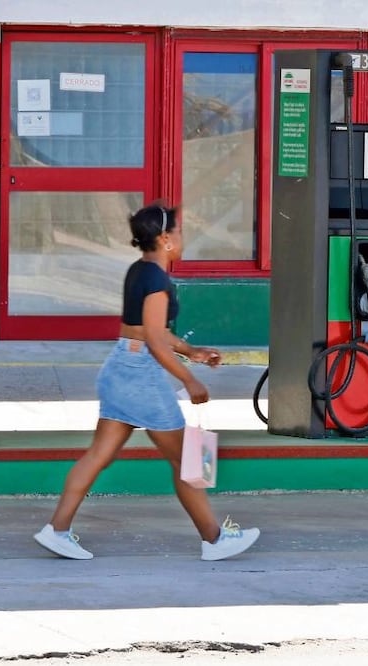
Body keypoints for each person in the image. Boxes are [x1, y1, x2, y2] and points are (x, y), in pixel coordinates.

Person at [34, 203, 260, 561]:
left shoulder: (140, 271)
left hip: (121, 366)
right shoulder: (157, 279)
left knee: (98, 456)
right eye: (181, 233)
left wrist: (191, 351)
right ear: (165, 239)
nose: (185, 239)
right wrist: (190, 381)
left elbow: (150, 331)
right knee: (190, 459)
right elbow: (154, 338)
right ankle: (215, 540)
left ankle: (57, 530)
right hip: (140, 373)